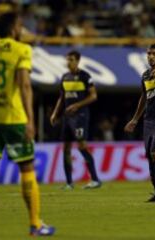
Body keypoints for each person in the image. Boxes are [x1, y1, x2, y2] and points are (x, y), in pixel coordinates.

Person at [0, 12, 55, 238]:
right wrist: (31, 120)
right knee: (27, 168)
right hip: (14, 119)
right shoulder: (22, 49)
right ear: (14, 28)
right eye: (20, 25)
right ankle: (35, 225)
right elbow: (25, 86)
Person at [124, 44, 155, 202]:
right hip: (148, 122)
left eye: (154, 53)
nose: (151, 56)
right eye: (149, 54)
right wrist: (135, 119)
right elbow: (143, 98)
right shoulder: (145, 76)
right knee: (149, 157)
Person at [50, 50, 101, 190]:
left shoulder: (85, 76)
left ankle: (95, 179)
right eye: (67, 59)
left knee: (82, 146)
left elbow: (93, 96)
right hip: (67, 117)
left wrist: (77, 105)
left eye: (71, 59)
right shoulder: (65, 77)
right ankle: (69, 183)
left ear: (78, 61)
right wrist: (55, 113)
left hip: (80, 116)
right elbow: (62, 97)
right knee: (66, 148)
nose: (68, 62)